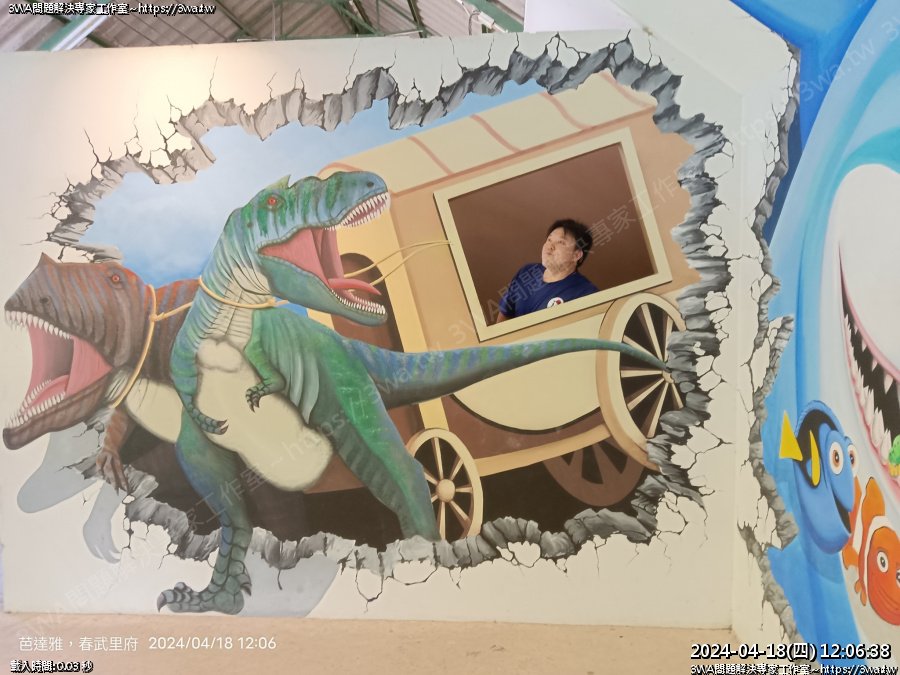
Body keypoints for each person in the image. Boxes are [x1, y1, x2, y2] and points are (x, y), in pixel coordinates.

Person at [496, 219, 599, 322]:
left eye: (560, 242)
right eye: (549, 240)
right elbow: (505, 314)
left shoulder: (586, 293)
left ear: (576, 255)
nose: (550, 246)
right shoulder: (527, 272)